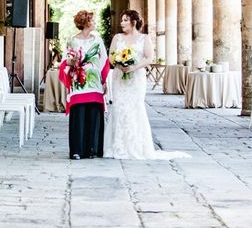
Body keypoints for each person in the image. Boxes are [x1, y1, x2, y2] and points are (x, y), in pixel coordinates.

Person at [104, 10, 190, 160]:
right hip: (120, 77)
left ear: (134, 22)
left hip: (136, 78)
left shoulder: (144, 39)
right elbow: (111, 57)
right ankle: (117, 146)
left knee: (135, 107)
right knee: (119, 107)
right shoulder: (117, 38)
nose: (122, 23)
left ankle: (136, 147)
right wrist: (119, 63)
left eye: (125, 20)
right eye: (122, 20)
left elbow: (149, 58)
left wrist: (133, 67)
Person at [59, 10, 109, 160]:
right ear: (85, 22)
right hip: (78, 83)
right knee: (78, 116)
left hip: (94, 82)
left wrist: (104, 81)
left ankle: (92, 149)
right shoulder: (72, 40)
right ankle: (77, 150)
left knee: (94, 114)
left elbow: (104, 61)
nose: (95, 23)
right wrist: (71, 62)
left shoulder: (98, 40)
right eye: (92, 20)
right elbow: (64, 60)